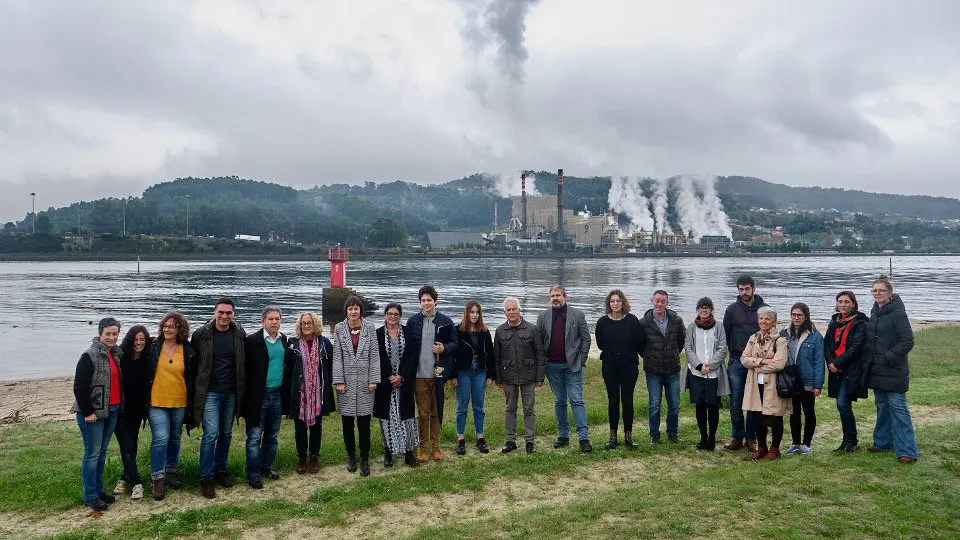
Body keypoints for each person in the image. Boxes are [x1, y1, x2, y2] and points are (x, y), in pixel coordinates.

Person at [192, 297, 246, 499]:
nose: (225, 316)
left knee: (226, 433)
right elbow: (194, 363)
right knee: (210, 434)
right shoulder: (201, 334)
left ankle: (220, 470)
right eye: (221, 312)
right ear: (214, 313)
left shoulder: (239, 333)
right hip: (210, 392)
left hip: (232, 391)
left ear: (233, 314)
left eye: (229, 313)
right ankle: (206, 477)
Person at [864, 276, 919, 463]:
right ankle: (882, 442)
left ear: (890, 293)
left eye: (881, 290)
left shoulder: (898, 314)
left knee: (899, 410)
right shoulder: (875, 312)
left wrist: (887, 357)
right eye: (875, 291)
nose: (878, 294)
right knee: (882, 407)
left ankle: (907, 451)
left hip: (894, 370)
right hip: (877, 370)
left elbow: (907, 341)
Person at [72, 317, 123, 512]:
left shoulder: (114, 354)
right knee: (91, 455)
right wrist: (88, 412)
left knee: (101, 454)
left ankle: (99, 491)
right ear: (100, 334)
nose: (111, 337)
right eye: (108, 333)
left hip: (112, 409)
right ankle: (90, 496)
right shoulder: (90, 355)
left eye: (115, 333)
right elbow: (79, 386)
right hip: (93, 414)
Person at [243, 307, 296, 489]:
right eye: (271, 319)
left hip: (277, 395)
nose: (275, 322)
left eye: (277, 319)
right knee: (254, 437)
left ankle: (266, 467)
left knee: (272, 436)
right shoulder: (252, 341)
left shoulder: (284, 340)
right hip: (258, 397)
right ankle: (253, 473)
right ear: (263, 321)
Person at [536, 285, 593, 452]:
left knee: (576, 400)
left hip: (573, 365)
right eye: (552, 295)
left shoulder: (577, 315)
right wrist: (543, 362)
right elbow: (539, 342)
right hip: (552, 367)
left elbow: (586, 339)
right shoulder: (543, 316)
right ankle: (563, 436)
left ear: (565, 296)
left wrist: (581, 360)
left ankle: (584, 438)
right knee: (560, 401)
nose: (555, 298)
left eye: (558, 295)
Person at [145, 313, 195, 501]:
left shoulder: (188, 349)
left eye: (172, 326)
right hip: (156, 402)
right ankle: (157, 478)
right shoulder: (153, 346)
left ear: (180, 329)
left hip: (180, 401)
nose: (167, 329)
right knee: (161, 438)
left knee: (175, 437)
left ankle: (171, 470)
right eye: (165, 326)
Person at [406, 285, 458, 462]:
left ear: (435, 301)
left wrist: (444, 348)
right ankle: (422, 448)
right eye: (423, 300)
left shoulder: (446, 321)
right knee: (422, 413)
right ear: (420, 302)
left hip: (438, 374)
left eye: (429, 300)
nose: (426, 303)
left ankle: (436, 447)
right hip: (419, 375)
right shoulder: (413, 322)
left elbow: (454, 344)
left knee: (436, 412)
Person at [332, 296, 380, 476]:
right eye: (350, 308)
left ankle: (365, 459)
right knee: (347, 423)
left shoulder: (370, 328)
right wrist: (339, 381)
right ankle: (351, 456)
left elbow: (374, 356)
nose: (353, 311)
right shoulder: (339, 328)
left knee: (364, 424)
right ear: (346, 311)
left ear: (361, 310)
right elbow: (337, 357)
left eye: (356, 308)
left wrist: (373, 379)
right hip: (346, 384)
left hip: (366, 383)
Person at [493, 297, 547, 454]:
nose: (511, 312)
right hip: (508, 376)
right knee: (510, 408)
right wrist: (498, 378)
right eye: (508, 310)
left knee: (529, 409)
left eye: (514, 309)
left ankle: (530, 442)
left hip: (528, 376)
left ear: (519, 310)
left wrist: (539, 377)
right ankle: (511, 441)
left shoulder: (531, 329)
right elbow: (496, 357)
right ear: (505, 312)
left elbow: (539, 354)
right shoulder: (500, 331)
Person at [594, 290, 645, 450]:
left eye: (618, 301)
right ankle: (612, 437)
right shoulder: (602, 322)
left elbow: (639, 342)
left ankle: (628, 437)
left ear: (623, 302)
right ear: (608, 304)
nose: (615, 304)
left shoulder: (632, 321)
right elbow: (601, 343)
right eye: (612, 301)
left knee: (628, 400)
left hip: (628, 365)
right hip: (609, 365)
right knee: (613, 400)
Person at [723, 275, 768, 452]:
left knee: (754, 402)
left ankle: (751, 438)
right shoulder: (732, 310)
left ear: (753, 289)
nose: (744, 292)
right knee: (735, 402)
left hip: (757, 364)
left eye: (747, 289)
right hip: (736, 362)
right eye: (741, 289)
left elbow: (770, 334)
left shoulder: (765, 309)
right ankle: (737, 437)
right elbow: (725, 335)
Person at [680, 298, 730, 451]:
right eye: (701, 307)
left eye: (707, 307)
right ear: (697, 310)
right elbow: (688, 349)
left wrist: (710, 366)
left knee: (713, 406)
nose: (704, 310)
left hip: (714, 374)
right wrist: (700, 365)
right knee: (700, 406)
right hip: (696, 373)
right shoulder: (691, 327)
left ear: (712, 310)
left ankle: (712, 438)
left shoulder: (719, 327)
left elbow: (722, 348)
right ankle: (703, 437)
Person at [741, 307, 791, 461]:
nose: (763, 321)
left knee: (775, 417)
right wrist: (763, 361)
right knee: (757, 417)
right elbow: (744, 359)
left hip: (773, 385)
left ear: (774, 321)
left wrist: (756, 366)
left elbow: (779, 364)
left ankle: (775, 449)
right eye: (761, 318)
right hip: (755, 385)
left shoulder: (780, 341)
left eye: (767, 319)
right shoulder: (753, 338)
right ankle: (762, 448)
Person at [288, 312, 335, 474]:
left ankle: (314, 457)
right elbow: (288, 368)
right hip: (299, 394)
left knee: (317, 426)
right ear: (300, 326)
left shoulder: (324, 343)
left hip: (318, 393)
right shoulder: (292, 344)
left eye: (309, 323)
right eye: (304, 323)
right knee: (299, 428)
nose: (306, 326)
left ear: (315, 325)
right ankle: (301, 457)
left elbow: (331, 366)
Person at [373, 303, 420, 467]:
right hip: (385, 384)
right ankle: (388, 452)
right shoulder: (377, 334)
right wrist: (389, 377)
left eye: (396, 314)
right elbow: (376, 359)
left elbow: (412, 357)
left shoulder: (407, 333)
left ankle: (409, 453)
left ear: (400, 316)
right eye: (389, 313)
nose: (393, 316)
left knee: (406, 418)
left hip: (404, 383)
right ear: (385, 315)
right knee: (387, 419)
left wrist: (401, 376)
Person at [825, 291, 869, 453]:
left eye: (846, 302)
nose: (843, 305)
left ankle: (852, 440)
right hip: (835, 369)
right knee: (842, 405)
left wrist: (838, 363)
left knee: (843, 403)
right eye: (840, 302)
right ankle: (846, 441)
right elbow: (827, 345)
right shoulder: (834, 322)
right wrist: (830, 362)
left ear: (853, 304)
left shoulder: (860, 323)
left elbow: (856, 348)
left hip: (851, 369)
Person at [640, 290, 685, 445]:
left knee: (674, 405)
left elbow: (681, 341)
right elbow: (640, 345)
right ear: (652, 301)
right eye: (657, 301)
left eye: (663, 301)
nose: (659, 304)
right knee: (654, 405)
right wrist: (650, 357)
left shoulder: (676, 320)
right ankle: (654, 435)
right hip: (653, 371)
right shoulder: (644, 322)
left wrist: (672, 354)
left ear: (667, 302)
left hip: (672, 369)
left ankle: (672, 432)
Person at [781, 303, 825, 455]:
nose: (796, 317)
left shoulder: (815, 336)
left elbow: (819, 361)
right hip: (790, 380)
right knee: (794, 412)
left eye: (799, 315)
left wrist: (818, 384)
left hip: (808, 380)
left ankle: (807, 443)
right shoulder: (784, 333)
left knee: (809, 411)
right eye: (793, 314)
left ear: (806, 316)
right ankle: (795, 443)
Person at [113, 325, 150, 501]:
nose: (139, 343)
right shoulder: (120, 356)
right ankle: (137, 482)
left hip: (137, 410)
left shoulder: (147, 359)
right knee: (126, 445)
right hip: (120, 410)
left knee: (132, 445)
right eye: (136, 339)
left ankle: (124, 476)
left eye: (142, 339)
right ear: (130, 340)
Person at [452, 301, 495, 455]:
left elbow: (490, 354)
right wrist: (452, 375)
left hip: (480, 373)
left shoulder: (484, 331)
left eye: (477, 312)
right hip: (462, 373)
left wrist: (491, 375)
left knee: (479, 406)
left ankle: (480, 437)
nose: (475, 315)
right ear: (466, 313)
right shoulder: (458, 331)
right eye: (472, 312)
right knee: (462, 406)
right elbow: (452, 355)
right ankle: (461, 439)